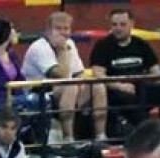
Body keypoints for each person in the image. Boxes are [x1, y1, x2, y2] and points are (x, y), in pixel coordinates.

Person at [21, 12, 108, 143]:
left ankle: (101, 137)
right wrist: (62, 51)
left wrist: (82, 87)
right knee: (70, 86)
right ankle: (68, 139)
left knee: (97, 86)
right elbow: (61, 75)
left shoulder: (71, 44)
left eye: (66, 28)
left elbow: (79, 73)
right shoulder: (39, 47)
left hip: (64, 91)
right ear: (48, 30)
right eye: (58, 28)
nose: (63, 33)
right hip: (38, 94)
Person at [89, 9, 160, 134]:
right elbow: (98, 74)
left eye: (122, 24)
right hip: (115, 90)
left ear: (132, 24)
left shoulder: (141, 44)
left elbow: (155, 71)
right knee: (129, 97)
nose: (118, 28)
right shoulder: (102, 46)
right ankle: (146, 133)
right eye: (114, 25)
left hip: (140, 87)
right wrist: (119, 86)